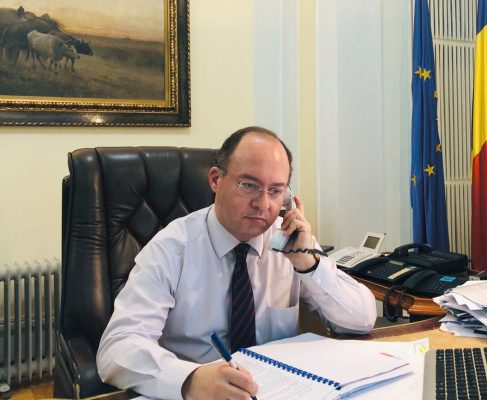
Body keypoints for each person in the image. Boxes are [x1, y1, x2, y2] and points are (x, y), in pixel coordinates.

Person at [96, 126, 377, 400]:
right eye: (249, 185)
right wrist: (189, 380)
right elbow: (117, 348)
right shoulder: (171, 248)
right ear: (215, 180)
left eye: (275, 191)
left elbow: (362, 319)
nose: (263, 204)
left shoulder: (291, 242)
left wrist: (308, 265)